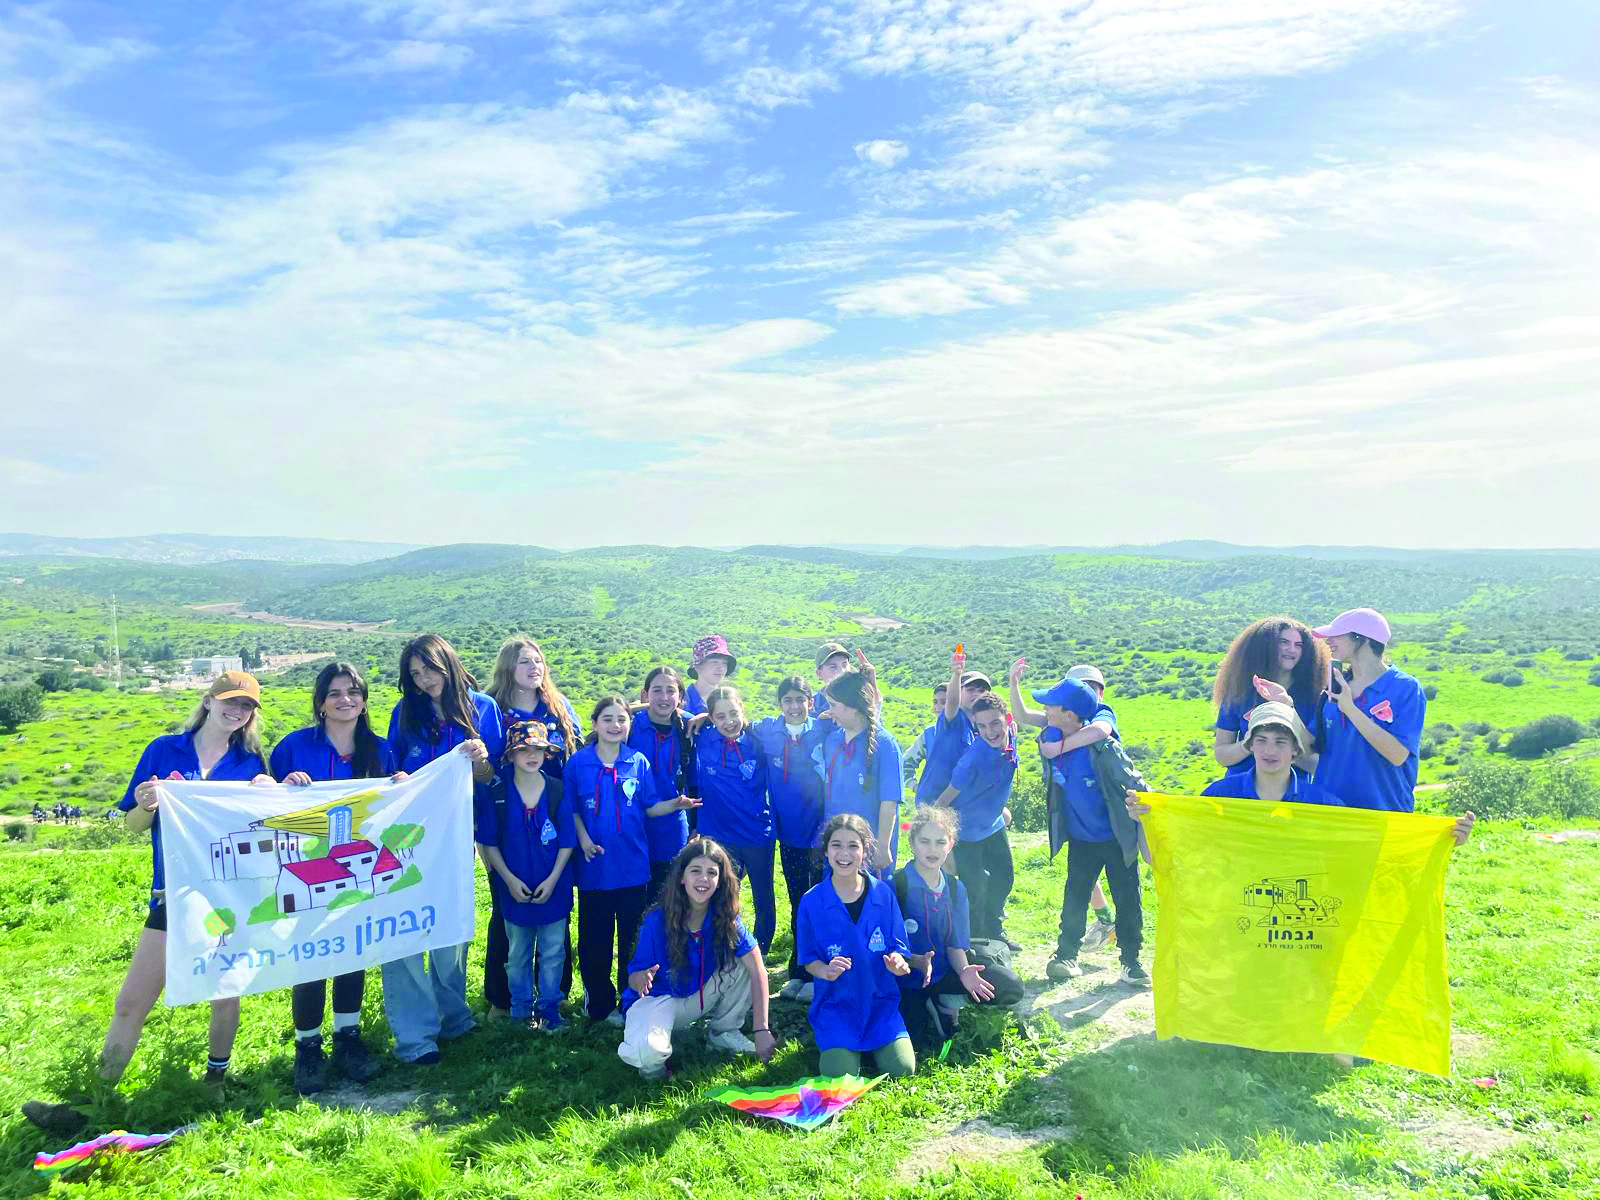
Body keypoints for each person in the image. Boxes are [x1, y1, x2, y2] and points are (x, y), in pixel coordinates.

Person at [22, 672, 268, 1136]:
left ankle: (214, 1084)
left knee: (224, 995)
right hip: (170, 894)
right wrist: (146, 804)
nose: (238, 711)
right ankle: (96, 1100)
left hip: (225, 898)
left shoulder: (249, 761)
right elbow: (134, 826)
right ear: (210, 700)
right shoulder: (162, 751)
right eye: (231, 701)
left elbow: (261, 823)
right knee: (131, 1002)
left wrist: (270, 790)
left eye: (247, 706)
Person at [269, 661, 398, 1094]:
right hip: (307, 868)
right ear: (320, 703)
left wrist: (401, 786)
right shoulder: (294, 747)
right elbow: (264, 802)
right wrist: (283, 784)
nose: (346, 700)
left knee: (351, 953)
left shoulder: (380, 751)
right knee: (310, 957)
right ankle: (307, 1047)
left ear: (364, 701)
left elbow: (394, 806)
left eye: (353, 692)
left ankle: (349, 1039)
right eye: (335, 693)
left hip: (359, 869)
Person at [382, 635, 496, 1065]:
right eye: (414, 674)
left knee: (450, 926)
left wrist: (480, 759)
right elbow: (392, 767)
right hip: (406, 840)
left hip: (455, 836)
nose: (423, 680)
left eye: (429, 669)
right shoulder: (404, 713)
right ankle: (416, 1036)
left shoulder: (482, 708)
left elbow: (490, 775)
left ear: (447, 663)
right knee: (404, 928)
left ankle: (455, 1017)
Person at [568, 695, 695, 1023]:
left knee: (632, 939)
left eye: (621, 720)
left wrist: (675, 804)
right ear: (595, 724)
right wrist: (583, 839)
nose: (615, 725)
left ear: (629, 726)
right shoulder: (579, 763)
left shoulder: (638, 761)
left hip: (634, 867)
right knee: (595, 940)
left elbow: (650, 807)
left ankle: (630, 998)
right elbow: (570, 810)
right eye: (607, 719)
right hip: (594, 869)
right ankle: (598, 1003)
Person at [617, 837, 776, 1080]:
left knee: (744, 962)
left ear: (720, 880)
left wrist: (761, 1028)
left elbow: (758, 971)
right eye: (695, 871)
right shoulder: (657, 921)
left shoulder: (725, 917)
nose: (703, 879)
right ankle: (656, 1071)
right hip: (658, 1000)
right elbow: (633, 979)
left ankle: (723, 1033)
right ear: (682, 877)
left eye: (712, 872)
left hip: (697, 996)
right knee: (648, 1053)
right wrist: (640, 979)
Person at [482, 636, 582, 1020]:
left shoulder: (557, 707)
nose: (534, 667)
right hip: (508, 821)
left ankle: (555, 995)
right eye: (525, 661)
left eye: (538, 661)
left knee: (556, 910)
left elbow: (577, 753)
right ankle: (503, 999)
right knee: (506, 913)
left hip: (555, 814)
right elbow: (484, 767)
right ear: (508, 666)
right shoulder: (494, 710)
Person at [1030, 675, 1148, 988]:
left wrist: (1155, 808)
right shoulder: (1051, 739)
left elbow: (1134, 780)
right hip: (1082, 840)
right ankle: (1066, 956)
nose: (1045, 709)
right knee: (1075, 895)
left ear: (1069, 714)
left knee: (1127, 898)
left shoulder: (1102, 748)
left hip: (1116, 837)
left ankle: (1130, 960)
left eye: (1050, 705)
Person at [795, 814, 915, 1078]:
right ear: (826, 851)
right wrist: (825, 971)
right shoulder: (812, 901)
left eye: (853, 846)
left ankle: (878, 1044)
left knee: (903, 1070)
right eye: (837, 845)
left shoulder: (883, 893)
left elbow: (898, 946)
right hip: (837, 1006)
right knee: (837, 1078)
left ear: (865, 851)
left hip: (880, 1004)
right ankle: (843, 1046)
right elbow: (809, 957)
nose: (844, 853)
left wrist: (898, 962)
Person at [895, 807, 1024, 1049]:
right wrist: (914, 961)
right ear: (912, 843)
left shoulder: (955, 889)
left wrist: (965, 971)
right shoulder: (896, 885)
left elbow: (955, 944)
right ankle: (924, 1005)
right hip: (907, 978)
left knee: (1010, 986)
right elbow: (886, 946)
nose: (932, 849)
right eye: (924, 841)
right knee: (918, 1042)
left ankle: (947, 1001)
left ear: (951, 845)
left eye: (940, 842)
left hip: (945, 973)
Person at [1011, 659, 1118, 951]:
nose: (1090, 692)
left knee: (1094, 873)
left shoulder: (1101, 714)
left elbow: (1100, 731)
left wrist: (1055, 748)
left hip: (1099, 810)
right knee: (1083, 872)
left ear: (1101, 692)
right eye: (1083, 686)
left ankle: (1109, 925)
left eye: (1094, 687)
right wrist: (1014, 683)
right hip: (1067, 804)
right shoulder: (1059, 717)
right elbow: (1021, 715)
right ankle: (1106, 920)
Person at [476, 721, 575, 1031]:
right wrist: (508, 880)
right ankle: (520, 1012)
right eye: (523, 749)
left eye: (538, 749)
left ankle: (549, 1011)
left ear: (547, 754)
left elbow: (568, 842)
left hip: (553, 890)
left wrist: (553, 879)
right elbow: (489, 843)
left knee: (553, 952)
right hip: (514, 890)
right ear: (511, 756)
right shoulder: (500, 793)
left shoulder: (557, 790)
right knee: (517, 953)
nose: (531, 755)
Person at [751, 678, 828, 1002]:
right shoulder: (767, 730)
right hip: (790, 834)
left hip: (822, 834)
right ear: (780, 703)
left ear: (812, 702)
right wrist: (698, 716)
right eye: (788, 700)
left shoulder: (824, 730)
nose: (795, 706)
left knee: (821, 902)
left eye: (801, 699)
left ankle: (818, 973)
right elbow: (732, 719)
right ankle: (798, 970)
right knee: (798, 901)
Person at [692, 686, 775, 956]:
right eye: (720, 716)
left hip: (757, 834)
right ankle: (724, 952)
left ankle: (759, 955)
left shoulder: (759, 740)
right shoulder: (702, 738)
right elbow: (661, 711)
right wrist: (699, 717)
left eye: (733, 713)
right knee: (722, 898)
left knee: (763, 898)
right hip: (719, 836)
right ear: (712, 718)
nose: (728, 721)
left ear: (743, 711)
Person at [930, 692, 1017, 942]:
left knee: (1004, 878)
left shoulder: (1012, 738)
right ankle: (976, 941)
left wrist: (1014, 683)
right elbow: (946, 797)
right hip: (966, 832)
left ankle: (995, 931)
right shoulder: (972, 759)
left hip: (993, 825)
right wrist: (932, 829)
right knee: (974, 888)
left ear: (1007, 720)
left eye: (995, 724)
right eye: (981, 726)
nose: (990, 732)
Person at [816, 652, 904, 876]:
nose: (829, 710)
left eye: (834, 705)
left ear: (853, 707)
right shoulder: (833, 739)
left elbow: (889, 803)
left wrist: (883, 847)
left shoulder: (885, 745)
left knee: (870, 904)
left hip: (869, 848)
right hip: (836, 845)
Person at [1212, 617, 1326, 775]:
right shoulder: (1240, 691)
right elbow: (1222, 754)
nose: (1292, 650)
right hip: (1240, 792)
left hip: (1293, 794)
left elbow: (1315, 763)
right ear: (1265, 647)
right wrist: (1250, 742)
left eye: (1298, 645)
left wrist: (1287, 709)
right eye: (1284, 642)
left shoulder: (1316, 698)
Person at [627, 666, 699, 897]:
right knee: (636, 899)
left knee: (670, 898)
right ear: (645, 694)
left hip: (673, 826)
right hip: (634, 823)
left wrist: (706, 716)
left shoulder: (690, 725)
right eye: (657, 690)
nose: (664, 697)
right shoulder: (630, 726)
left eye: (671, 690)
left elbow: (728, 722)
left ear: (680, 696)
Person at [913, 648, 990, 809]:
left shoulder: (981, 729)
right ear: (959, 692)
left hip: (959, 803)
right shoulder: (954, 719)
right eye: (970, 690)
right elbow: (952, 703)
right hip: (933, 802)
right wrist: (956, 674)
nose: (976, 694)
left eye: (982, 690)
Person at [900, 684, 948, 790]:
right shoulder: (929, 735)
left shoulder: (968, 734)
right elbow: (904, 763)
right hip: (931, 802)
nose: (938, 707)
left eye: (944, 702)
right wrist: (915, 787)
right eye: (935, 702)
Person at [684, 635, 737, 717]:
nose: (720, 668)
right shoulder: (680, 701)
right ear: (698, 667)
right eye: (714, 662)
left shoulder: (730, 701)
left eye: (724, 663)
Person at [812, 642, 851, 719]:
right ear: (819, 673)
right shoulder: (811, 705)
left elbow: (875, 729)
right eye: (833, 667)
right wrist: (819, 723)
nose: (842, 671)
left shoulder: (861, 699)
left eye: (844, 664)